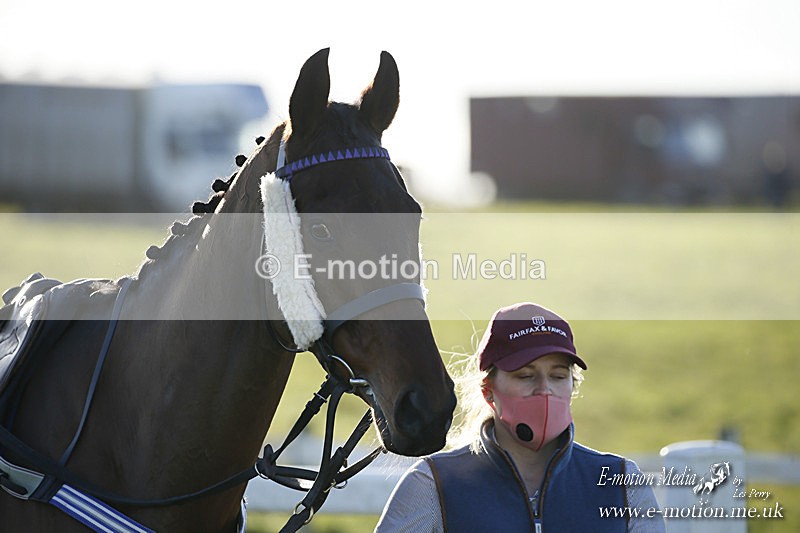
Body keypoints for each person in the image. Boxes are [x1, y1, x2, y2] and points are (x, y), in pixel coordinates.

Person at [376, 302, 665, 532]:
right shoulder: (433, 485)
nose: (544, 390)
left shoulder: (623, 484)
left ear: (573, 385)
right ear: (488, 391)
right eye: (525, 376)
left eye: (558, 376)